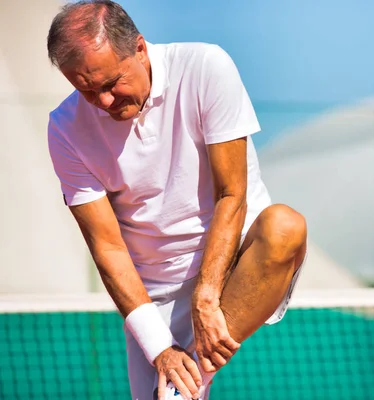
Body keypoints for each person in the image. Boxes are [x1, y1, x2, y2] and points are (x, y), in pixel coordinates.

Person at [45, 1, 307, 399]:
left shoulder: (206, 67)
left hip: (231, 267)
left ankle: (189, 384)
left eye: (110, 83)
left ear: (140, 48)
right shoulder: (64, 128)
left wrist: (207, 296)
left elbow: (232, 194)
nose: (103, 102)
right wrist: (161, 349)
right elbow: (108, 247)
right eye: (86, 90)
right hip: (153, 295)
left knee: (284, 226)